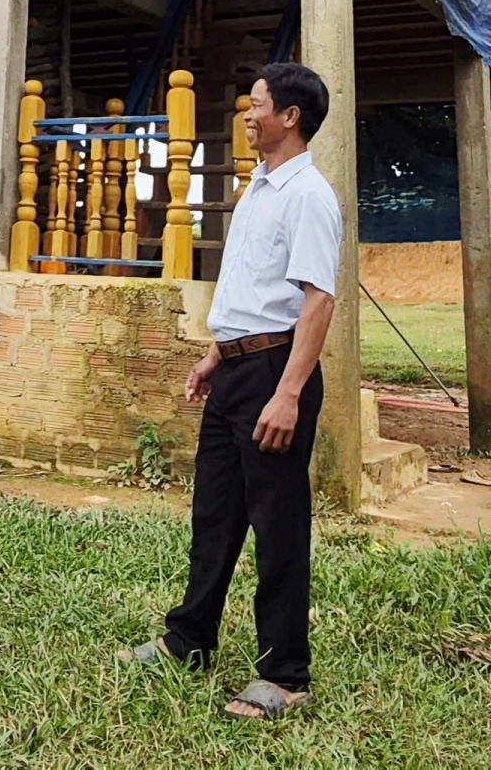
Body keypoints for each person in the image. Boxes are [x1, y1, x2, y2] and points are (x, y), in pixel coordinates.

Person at [119, 62, 341, 721]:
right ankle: (188, 640)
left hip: (277, 375)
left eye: (257, 105)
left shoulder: (309, 195)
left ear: (290, 117)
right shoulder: (259, 190)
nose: (247, 115)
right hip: (238, 369)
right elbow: (251, 289)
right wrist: (216, 354)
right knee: (214, 515)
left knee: (277, 525)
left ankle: (285, 672)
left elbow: (318, 300)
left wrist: (289, 394)